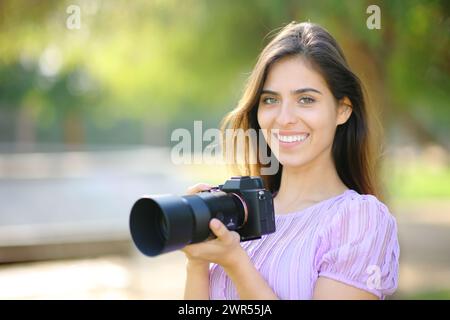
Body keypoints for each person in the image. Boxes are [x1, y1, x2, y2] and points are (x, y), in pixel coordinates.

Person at [182, 22, 399, 300]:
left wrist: (235, 262)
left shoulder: (360, 220)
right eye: (270, 100)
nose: (284, 118)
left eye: (306, 99)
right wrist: (197, 262)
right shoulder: (240, 214)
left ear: (342, 110)